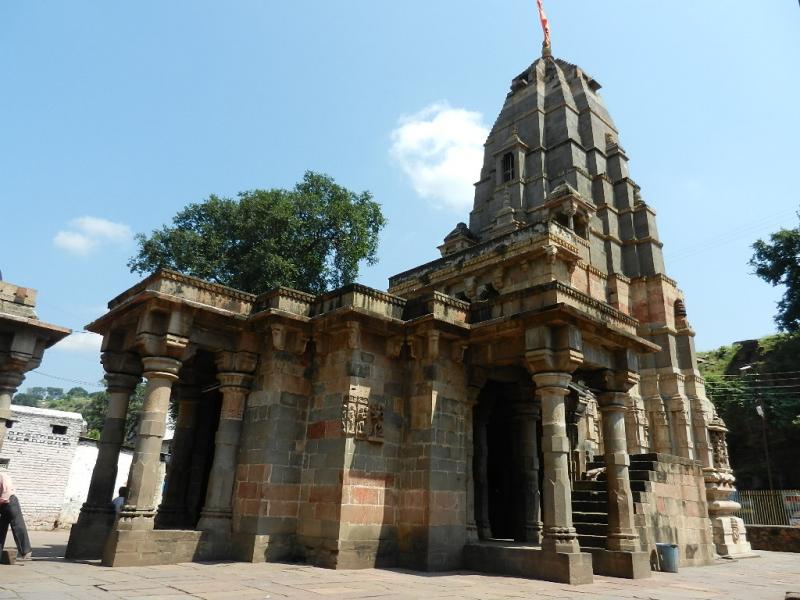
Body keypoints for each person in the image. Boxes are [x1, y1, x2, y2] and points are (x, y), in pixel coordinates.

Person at [0, 470, 32, 560]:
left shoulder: (3, 477)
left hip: (10, 502)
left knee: (18, 526)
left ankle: (25, 551)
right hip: (2, 505)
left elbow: (6, 494)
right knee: (1, 529)